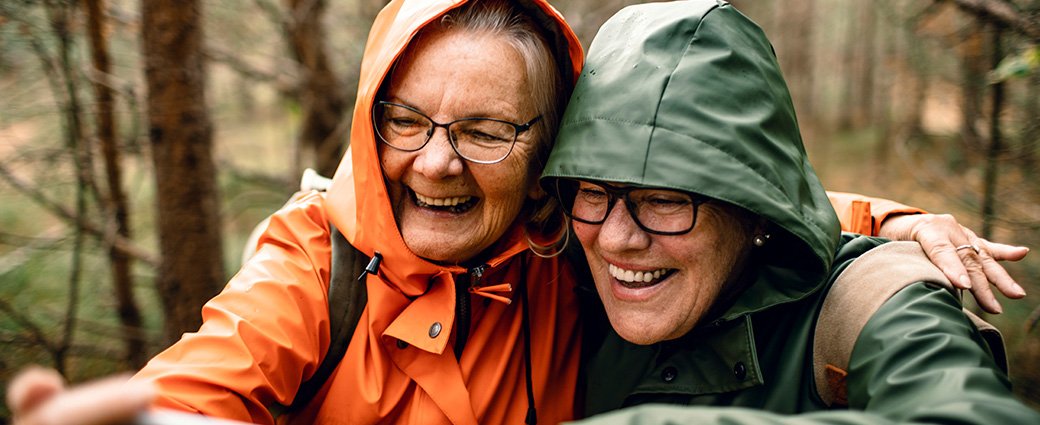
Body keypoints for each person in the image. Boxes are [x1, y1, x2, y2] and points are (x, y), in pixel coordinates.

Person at [5, 0, 1030, 424]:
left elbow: (726, 196)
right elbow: (214, 378)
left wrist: (889, 222)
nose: (435, 162)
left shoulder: (565, 248)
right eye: (405, 120)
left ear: (546, 152)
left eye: (487, 131)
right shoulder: (315, 260)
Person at [538, 1, 1040, 423]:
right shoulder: (555, 274)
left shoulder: (871, 303)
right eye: (593, 190)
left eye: (666, 201)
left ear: (757, 210)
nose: (614, 239)